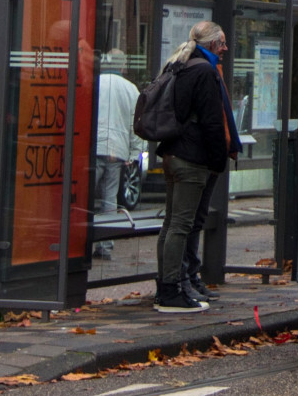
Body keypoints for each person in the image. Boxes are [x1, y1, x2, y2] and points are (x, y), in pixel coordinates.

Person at [152, 21, 240, 313]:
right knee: (181, 224)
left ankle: (166, 286)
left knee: (171, 223)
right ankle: (172, 291)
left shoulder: (180, 63)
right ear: (213, 44)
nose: (226, 48)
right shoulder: (204, 71)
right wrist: (217, 161)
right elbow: (213, 122)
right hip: (192, 159)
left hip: (173, 154)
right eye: (223, 43)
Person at [93, 60, 142, 260]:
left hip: (93, 147)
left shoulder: (94, 82)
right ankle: (105, 245)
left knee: (84, 198)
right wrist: (134, 153)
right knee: (109, 198)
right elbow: (136, 124)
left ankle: (77, 246)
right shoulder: (131, 89)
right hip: (117, 150)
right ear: (123, 67)